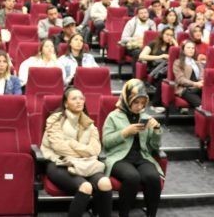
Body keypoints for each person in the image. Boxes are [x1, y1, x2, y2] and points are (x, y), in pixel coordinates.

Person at [40, 87, 112, 217]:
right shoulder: (55, 119)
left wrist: (73, 145)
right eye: (74, 98)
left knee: (105, 183)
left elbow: (95, 149)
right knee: (86, 187)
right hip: (59, 163)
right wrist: (84, 151)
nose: (79, 101)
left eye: (81, 98)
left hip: (86, 164)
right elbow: (58, 147)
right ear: (66, 103)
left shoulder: (89, 123)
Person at [102, 80, 163, 217]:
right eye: (136, 102)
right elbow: (106, 142)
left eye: (142, 103)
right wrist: (125, 132)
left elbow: (154, 146)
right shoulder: (113, 116)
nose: (139, 106)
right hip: (119, 157)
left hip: (142, 157)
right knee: (132, 177)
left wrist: (157, 130)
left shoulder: (145, 117)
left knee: (153, 177)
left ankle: (151, 214)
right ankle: (124, 214)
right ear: (126, 99)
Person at [173, 41, 205, 108]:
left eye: (193, 48)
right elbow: (180, 79)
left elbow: (202, 75)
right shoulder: (178, 62)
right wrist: (195, 84)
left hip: (199, 87)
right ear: (183, 50)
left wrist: (202, 81)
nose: (191, 50)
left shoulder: (198, 63)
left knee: (210, 99)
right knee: (201, 105)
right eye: (188, 48)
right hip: (185, 89)